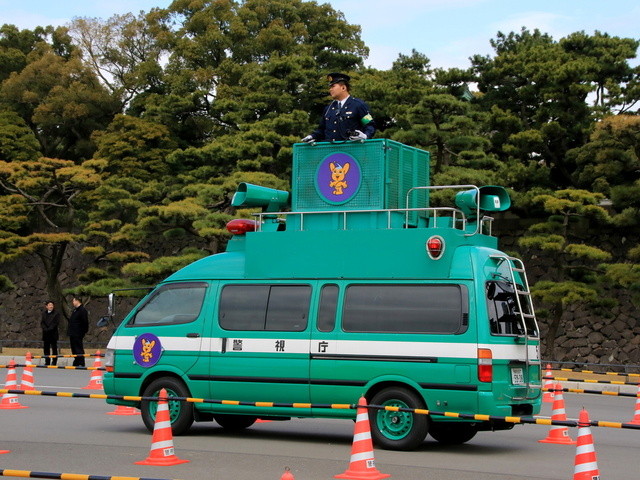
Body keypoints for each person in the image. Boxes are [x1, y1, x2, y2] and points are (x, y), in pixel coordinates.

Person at [302, 73, 376, 143]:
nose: (330, 89)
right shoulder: (328, 108)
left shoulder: (358, 105)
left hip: (351, 149)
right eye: (330, 87)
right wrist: (312, 136)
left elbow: (370, 125)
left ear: (343, 88)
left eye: (333, 86)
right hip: (331, 150)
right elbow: (321, 130)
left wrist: (365, 136)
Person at [68, 296, 89, 367]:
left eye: (74, 301)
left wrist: (83, 331)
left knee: (78, 347)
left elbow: (85, 322)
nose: (73, 302)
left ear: (77, 301)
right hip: (73, 332)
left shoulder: (82, 310)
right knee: (74, 348)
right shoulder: (75, 310)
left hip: (78, 332)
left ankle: (81, 362)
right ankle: (76, 360)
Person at [41, 300, 60, 366]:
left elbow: (55, 323)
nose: (51, 306)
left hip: (53, 333)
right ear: (46, 306)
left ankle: (54, 361)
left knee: (54, 348)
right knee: (46, 348)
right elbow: (42, 322)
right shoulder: (44, 313)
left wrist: (49, 329)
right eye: (49, 305)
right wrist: (45, 328)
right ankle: (47, 361)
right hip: (46, 334)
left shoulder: (56, 313)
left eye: (52, 305)